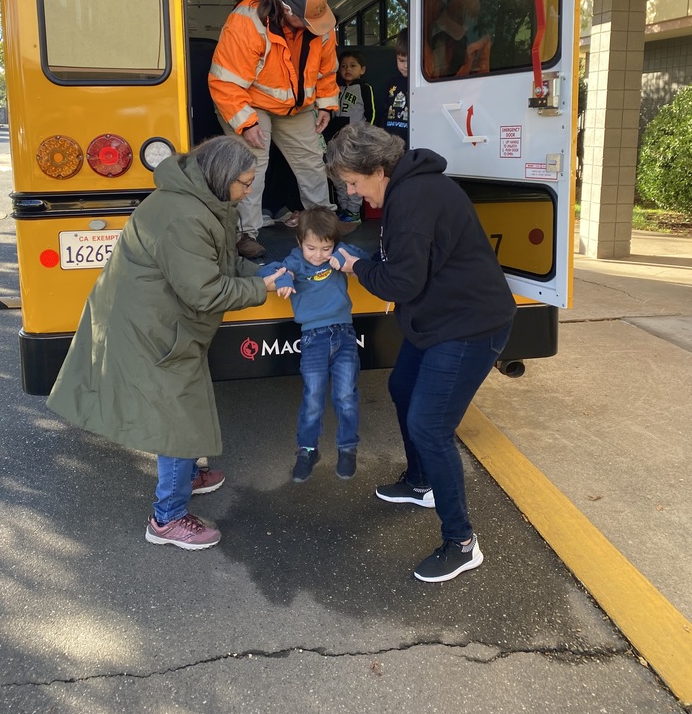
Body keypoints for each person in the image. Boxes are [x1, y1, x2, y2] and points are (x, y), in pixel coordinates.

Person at [46, 137, 286, 551]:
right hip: (150, 325)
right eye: (245, 184)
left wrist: (264, 270)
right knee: (178, 415)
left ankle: (188, 473)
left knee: (184, 402)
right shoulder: (184, 216)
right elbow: (205, 291)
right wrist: (260, 286)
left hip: (160, 319)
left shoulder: (201, 200)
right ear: (222, 177)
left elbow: (218, 261)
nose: (248, 192)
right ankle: (167, 518)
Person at [326, 123, 516, 583]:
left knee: (429, 426)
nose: (353, 193)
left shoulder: (412, 198)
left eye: (353, 182)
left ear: (377, 169)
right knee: (402, 386)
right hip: (440, 318)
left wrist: (355, 266)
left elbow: (400, 282)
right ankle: (420, 482)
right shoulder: (410, 189)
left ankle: (462, 542)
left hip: (470, 326)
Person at [209, 0, 344, 260]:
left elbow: (327, 70)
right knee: (251, 168)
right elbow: (226, 82)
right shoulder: (247, 21)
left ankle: (324, 227)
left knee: (311, 162)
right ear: (286, 10)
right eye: (306, 22)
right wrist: (246, 122)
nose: (314, 28)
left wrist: (326, 106)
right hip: (249, 102)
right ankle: (246, 234)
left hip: (296, 107)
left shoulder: (321, 21)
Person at [257, 207, 369, 483]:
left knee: (345, 396)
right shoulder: (296, 261)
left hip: (344, 333)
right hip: (313, 339)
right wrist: (284, 279)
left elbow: (365, 258)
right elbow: (271, 269)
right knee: (313, 398)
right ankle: (308, 450)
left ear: (334, 243)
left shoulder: (339, 254)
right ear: (299, 243)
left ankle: (347, 448)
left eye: (325, 248)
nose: (318, 255)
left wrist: (346, 260)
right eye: (311, 248)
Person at [325, 49, 376, 223]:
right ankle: (343, 208)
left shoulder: (364, 88)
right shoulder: (335, 88)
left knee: (353, 175)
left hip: (356, 139)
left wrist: (366, 135)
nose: (348, 69)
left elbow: (372, 113)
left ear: (362, 69)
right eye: (344, 66)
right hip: (336, 140)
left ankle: (354, 211)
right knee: (337, 176)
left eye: (353, 66)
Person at [380, 27, 409, 144]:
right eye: (401, 61)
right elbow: (384, 112)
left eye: (410, 60)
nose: (406, 66)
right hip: (391, 141)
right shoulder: (391, 83)